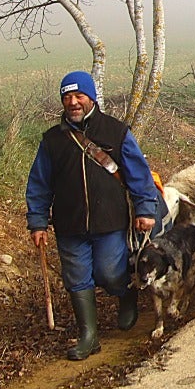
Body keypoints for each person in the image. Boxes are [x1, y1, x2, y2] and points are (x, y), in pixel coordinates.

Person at [25, 71, 159, 360]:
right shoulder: (52, 141)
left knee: (110, 273)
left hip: (110, 221)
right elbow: (39, 183)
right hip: (69, 223)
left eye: (78, 96)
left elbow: (139, 174)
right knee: (76, 278)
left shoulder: (116, 132)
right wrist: (37, 221)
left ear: (91, 98)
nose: (73, 102)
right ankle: (89, 336)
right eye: (67, 97)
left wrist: (146, 209)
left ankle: (126, 295)